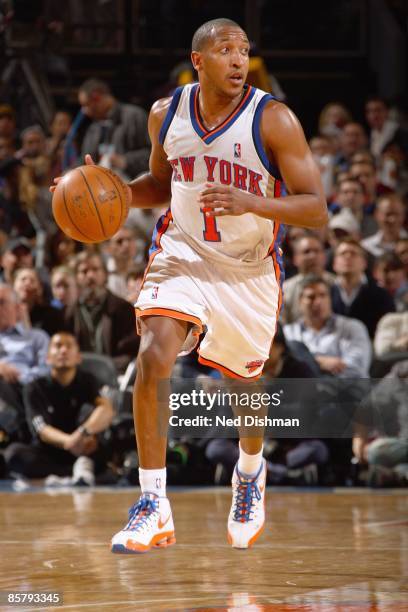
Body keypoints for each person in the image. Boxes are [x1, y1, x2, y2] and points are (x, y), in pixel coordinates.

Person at [52, 17, 327, 553]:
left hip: (247, 268)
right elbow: (162, 181)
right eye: (226, 50)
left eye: (244, 50)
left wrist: (256, 202)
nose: (238, 60)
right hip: (183, 251)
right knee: (154, 353)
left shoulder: (275, 120)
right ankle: (153, 503)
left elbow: (315, 207)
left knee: (244, 386)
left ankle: (250, 471)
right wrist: (110, 193)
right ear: (198, 60)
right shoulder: (166, 114)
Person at [4, 332, 114, 484]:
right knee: (13, 454)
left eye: (69, 346)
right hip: (50, 450)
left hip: (84, 445)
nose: (63, 351)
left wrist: (83, 433)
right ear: (47, 358)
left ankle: (81, 468)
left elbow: (107, 410)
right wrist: (68, 442)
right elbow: (41, 429)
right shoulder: (34, 387)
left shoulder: (89, 381)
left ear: (78, 357)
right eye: (58, 346)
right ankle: (74, 474)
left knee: (110, 435)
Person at [65, 251, 139, 373]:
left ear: (105, 274)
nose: (90, 275)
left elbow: (130, 352)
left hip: (115, 374)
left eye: (95, 269)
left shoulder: (123, 309)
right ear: (76, 278)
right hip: (79, 377)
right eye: (84, 271)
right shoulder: (69, 313)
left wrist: (106, 369)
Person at [284, 275, 371, 378]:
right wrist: (319, 362)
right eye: (311, 297)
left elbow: (356, 368)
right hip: (303, 391)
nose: (318, 302)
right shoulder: (288, 333)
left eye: (323, 295)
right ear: (300, 301)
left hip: (345, 390)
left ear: (330, 299)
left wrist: (306, 362)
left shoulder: (352, 327)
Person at [78, 78, 150, 179]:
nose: (84, 111)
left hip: (134, 183)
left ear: (97, 97)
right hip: (100, 185)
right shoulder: (93, 128)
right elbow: (82, 161)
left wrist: (125, 161)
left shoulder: (135, 116)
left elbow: (153, 154)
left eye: (86, 105)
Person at [331, 238, 395, 338]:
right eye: (343, 253)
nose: (348, 257)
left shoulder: (381, 296)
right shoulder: (325, 293)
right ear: (334, 263)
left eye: (353, 253)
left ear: (364, 263)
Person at [282, 234, 334, 324]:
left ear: (324, 257)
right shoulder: (285, 290)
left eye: (317, 251)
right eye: (306, 252)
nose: (312, 256)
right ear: (295, 258)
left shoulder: (337, 283)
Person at [361, 193, 407, 258]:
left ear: (403, 216)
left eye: (397, 214)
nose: (392, 219)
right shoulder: (365, 247)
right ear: (376, 214)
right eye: (388, 214)